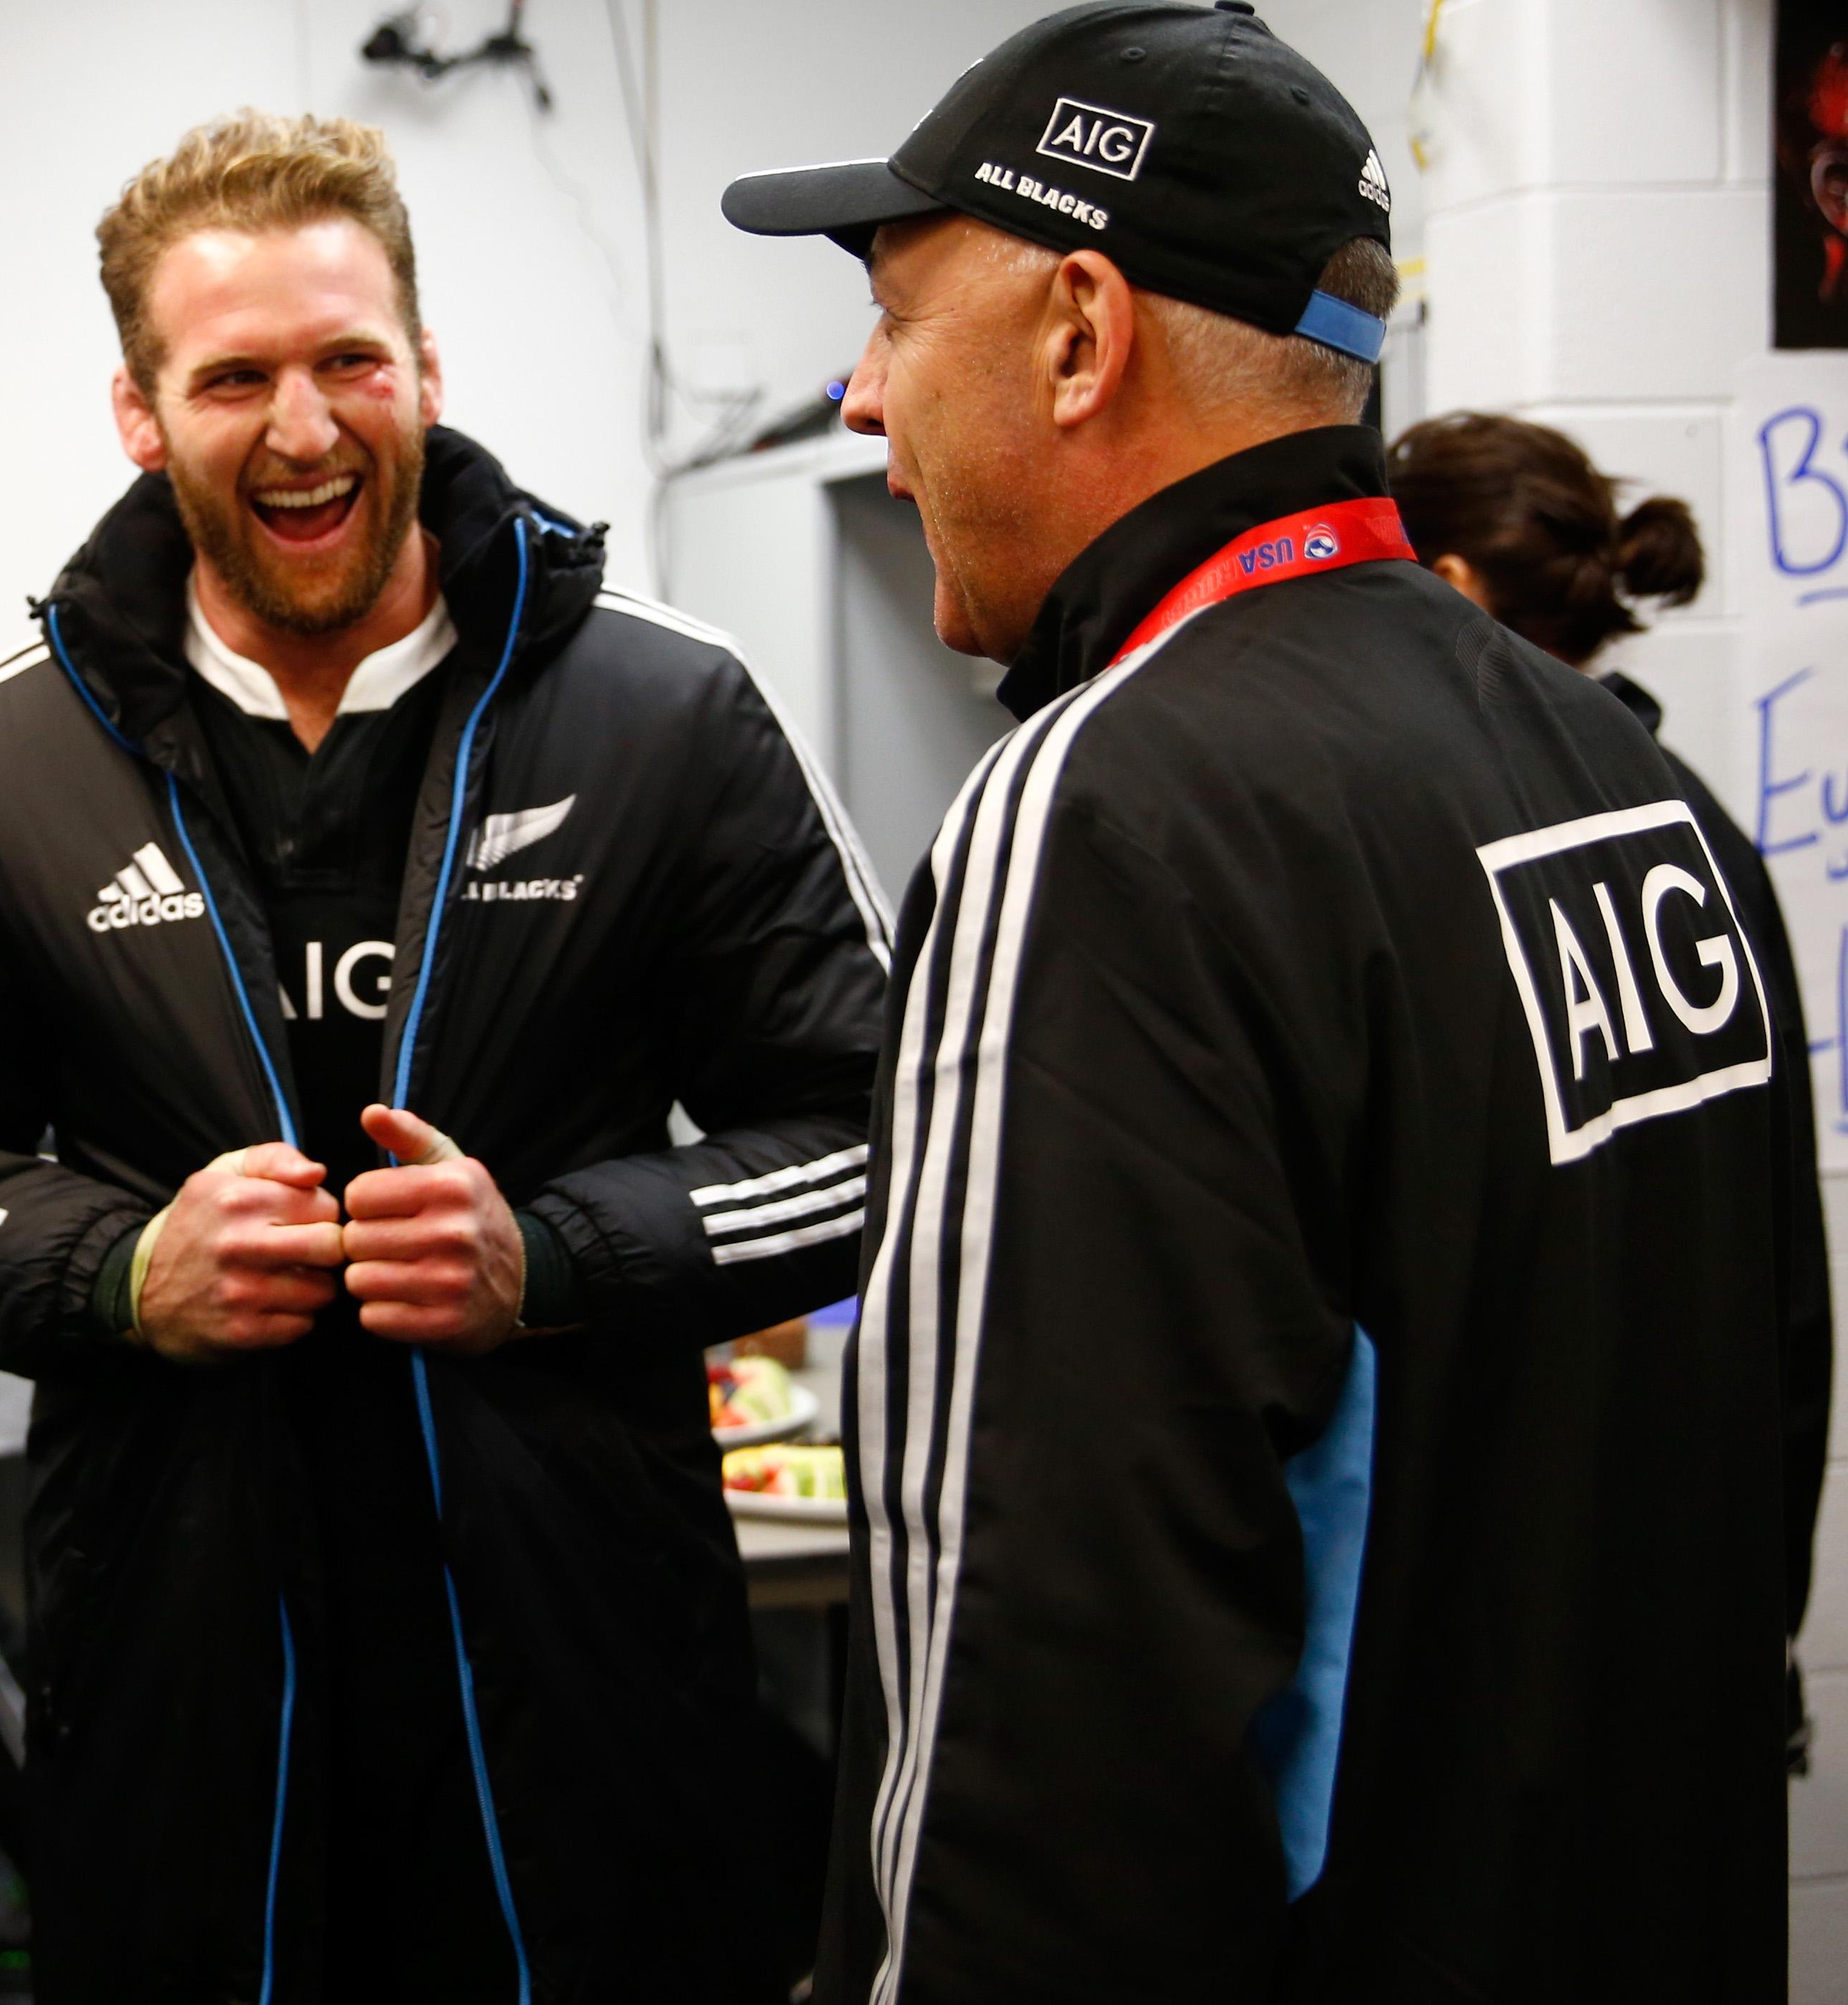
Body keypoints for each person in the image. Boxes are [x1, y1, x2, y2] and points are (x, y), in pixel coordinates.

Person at [725, 4, 1788, 1996]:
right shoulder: (1646, 800)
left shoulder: (1104, 812)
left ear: (1079, 330)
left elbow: (1025, 1672)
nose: (862, 400)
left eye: (891, 313)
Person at [0, 109, 892, 2005]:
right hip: (177, 1711)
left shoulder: (667, 709)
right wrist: (119, 1268)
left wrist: (560, 1258)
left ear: (429, 368)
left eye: (351, 360)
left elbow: (876, 1138)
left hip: (590, 1692)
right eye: (232, 377)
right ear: (139, 416)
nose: (308, 428)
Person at [1389, 410, 1834, 1774]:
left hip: (1519, 1652)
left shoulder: (1460, 843)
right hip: (1673, 1607)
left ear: (1449, 589)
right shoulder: (1689, 822)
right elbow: (1784, 1280)